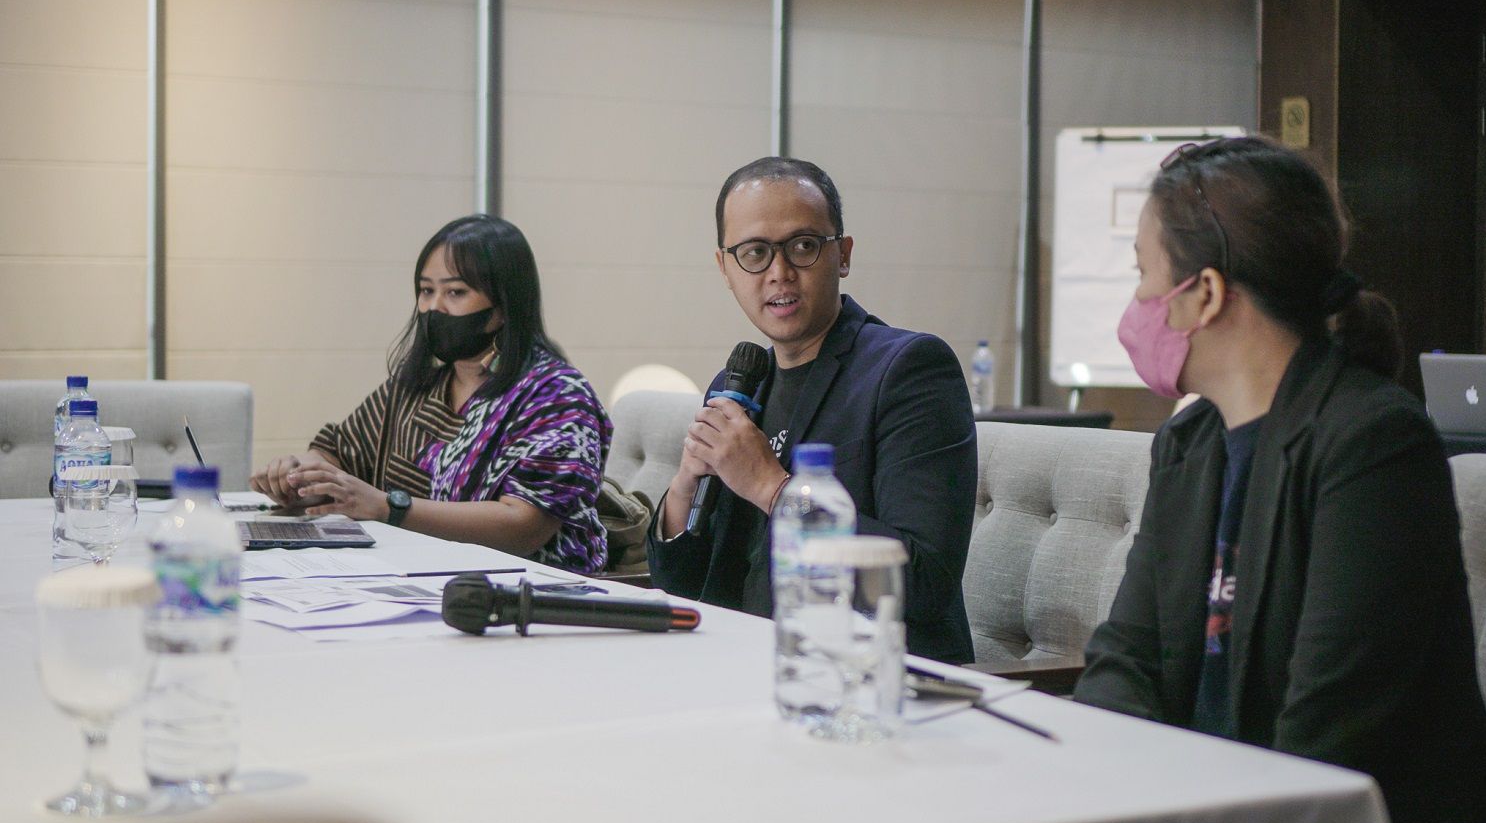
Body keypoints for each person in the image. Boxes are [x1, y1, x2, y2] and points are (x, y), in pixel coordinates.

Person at [1072, 137, 1486, 823]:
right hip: (1198, 817)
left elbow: (1330, 726)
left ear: (1206, 294)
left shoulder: (1374, 443)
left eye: (1144, 273)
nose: (1138, 302)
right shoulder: (1188, 443)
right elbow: (1126, 658)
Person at [647, 157, 976, 664]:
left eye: (803, 246)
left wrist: (772, 488)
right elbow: (679, 583)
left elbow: (925, 581)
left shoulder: (908, 370)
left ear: (842, 255)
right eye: (754, 253)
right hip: (731, 664)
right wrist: (685, 487)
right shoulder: (738, 387)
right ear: (725, 269)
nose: (779, 273)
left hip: (863, 676)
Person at [248, 215, 611, 575]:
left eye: (455, 292)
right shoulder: (420, 385)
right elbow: (339, 453)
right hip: (416, 574)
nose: (435, 307)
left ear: (503, 306)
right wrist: (299, 478)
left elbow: (523, 526)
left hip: (531, 589)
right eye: (426, 291)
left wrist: (390, 507)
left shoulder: (556, 396)